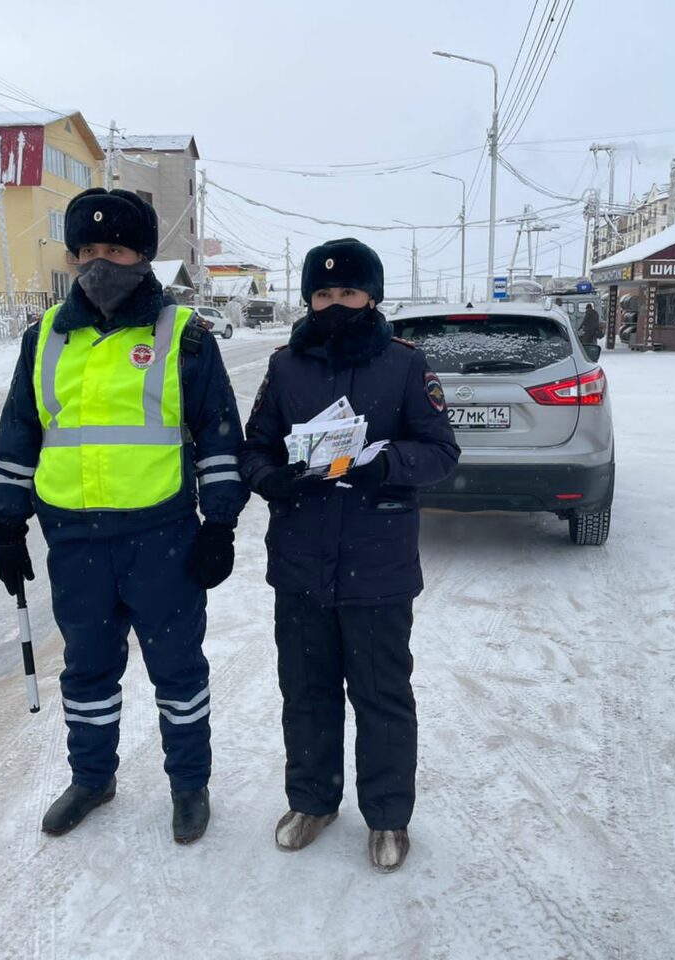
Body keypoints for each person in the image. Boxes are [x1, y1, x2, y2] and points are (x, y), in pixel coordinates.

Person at [0, 188, 248, 844]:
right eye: (89, 250)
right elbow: (21, 434)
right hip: (74, 541)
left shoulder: (182, 335)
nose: (101, 261)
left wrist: (220, 524)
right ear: (74, 257)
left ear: (144, 255)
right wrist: (6, 524)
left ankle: (189, 786)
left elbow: (217, 436)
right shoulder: (43, 338)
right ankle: (92, 778)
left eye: (117, 249)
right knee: (88, 671)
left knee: (177, 674)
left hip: (161, 536)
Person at [239, 238, 460, 872]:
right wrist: (270, 477)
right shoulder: (286, 367)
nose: (335, 303)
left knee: (382, 695)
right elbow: (255, 448)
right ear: (308, 298)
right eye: (323, 293)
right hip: (301, 562)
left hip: (378, 564)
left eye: (349, 292)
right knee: (305, 692)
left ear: (372, 297)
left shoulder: (406, 366)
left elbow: (442, 452)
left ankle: (389, 817)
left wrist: (388, 465)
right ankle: (312, 801)